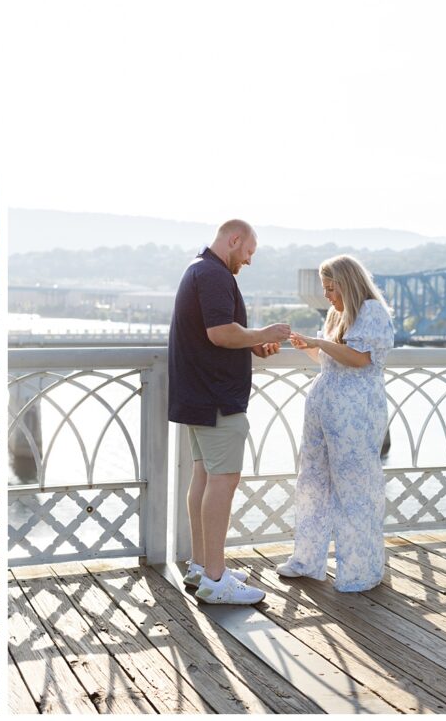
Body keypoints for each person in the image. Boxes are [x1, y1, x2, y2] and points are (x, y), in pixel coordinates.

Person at [168, 219, 291, 605]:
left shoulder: (198, 268)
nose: (250, 261)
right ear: (234, 240)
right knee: (223, 480)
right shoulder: (215, 274)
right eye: (249, 251)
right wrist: (265, 334)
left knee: (204, 477)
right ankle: (216, 581)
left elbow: (220, 333)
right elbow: (219, 333)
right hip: (217, 395)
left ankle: (202, 568)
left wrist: (252, 344)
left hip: (197, 392)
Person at [277, 254, 395, 591]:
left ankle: (360, 568)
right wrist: (308, 347)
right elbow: (330, 359)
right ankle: (307, 559)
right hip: (324, 404)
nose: (327, 295)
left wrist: (320, 342)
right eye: (325, 289)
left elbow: (359, 359)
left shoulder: (371, 311)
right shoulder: (336, 313)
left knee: (355, 486)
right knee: (312, 480)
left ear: (348, 284)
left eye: (331, 288)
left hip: (355, 409)